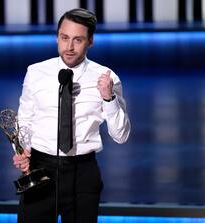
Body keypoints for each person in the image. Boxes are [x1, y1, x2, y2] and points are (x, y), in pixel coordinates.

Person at [13, 8, 130, 223]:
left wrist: (108, 98)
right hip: (40, 169)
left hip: (82, 172)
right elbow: (25, 119)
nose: (69, 47)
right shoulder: (36, 72)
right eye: (64, 38)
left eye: (78, 40)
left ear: (90, 42)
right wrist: (22, 151)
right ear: (57, 37)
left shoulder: (107, 77)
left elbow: (120, 135)